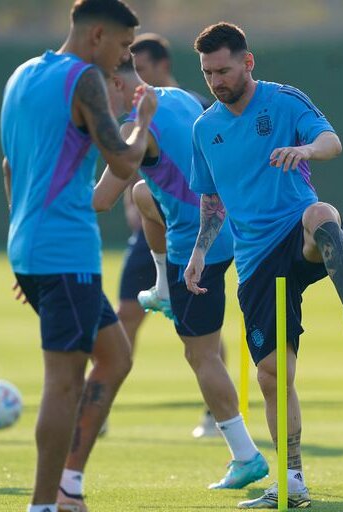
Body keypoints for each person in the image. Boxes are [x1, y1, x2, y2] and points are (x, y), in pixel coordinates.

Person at [185, 22, 343, 509]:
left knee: (320, 213)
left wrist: (306, 149)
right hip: (254, 260)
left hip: (296, 232)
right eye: (208, 73)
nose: (216, 80)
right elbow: (212, 203)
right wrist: (199, 253)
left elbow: (331, 142)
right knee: (274, 376)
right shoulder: (204, 129)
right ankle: (291, 480)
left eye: (224, 70)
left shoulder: (284, 100)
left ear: (247, 62)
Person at [0, 1, 152, 511]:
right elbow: (124, 159)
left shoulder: (23, 74)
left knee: (114, 357)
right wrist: (142, 119)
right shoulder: (85, 78)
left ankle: (67, 487)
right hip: (64, 252)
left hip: (33, 246)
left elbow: (8, 166)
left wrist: (24, 243)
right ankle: (44, 505)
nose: (123, 59)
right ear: (98, 36)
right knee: (63, 384)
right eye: (124, 46)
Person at [93, 58, 269, 492]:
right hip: (227, 226)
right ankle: (162, 288)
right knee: (144, 193)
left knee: (201, 356)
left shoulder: (138, 127)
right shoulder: (176, 97)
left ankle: (245, 456)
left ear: (116, 83)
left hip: (197, 249)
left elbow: (100, 200)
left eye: (96, 95)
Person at [116, 33, 221, 438]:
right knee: (125, 314)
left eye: (141, 71)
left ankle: (216, 413)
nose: (135, 80)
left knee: (200, 329)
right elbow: (139, 172)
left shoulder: (189, 103)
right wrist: (137, 202)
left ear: (162, 67)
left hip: (193, 225)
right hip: (153, 224)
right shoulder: (137, 117)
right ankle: (101, 402)